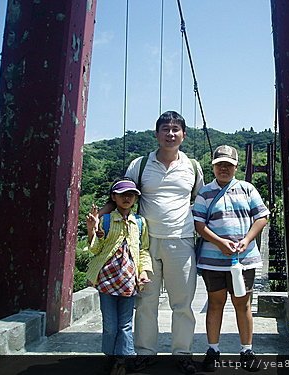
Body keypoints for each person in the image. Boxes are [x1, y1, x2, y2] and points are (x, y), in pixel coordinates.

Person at [100, 111, 204, 374]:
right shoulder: (140, 165)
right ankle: (145, 352)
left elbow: (201, 201)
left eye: (175, 129)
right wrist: (100, 219)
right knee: (146, 301)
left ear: (184, 134)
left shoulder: (192, 167)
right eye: (165, 129)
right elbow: (122, 196)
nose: (170, 134)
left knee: (182, 303)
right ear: (156, 134)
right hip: (143, 243)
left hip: (181, 240)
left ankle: (183, 353)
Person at [192, 145, 269, 372]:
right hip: (212, 261)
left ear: (236, 167)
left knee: (242, 304)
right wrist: (219, 242)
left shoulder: (247, 189)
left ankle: (247, 351)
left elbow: (261, 217)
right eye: (219, 165)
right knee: (215, 304)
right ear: (213, 167)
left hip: (244, 260)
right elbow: (199, 224)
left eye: (228, 164)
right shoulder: (204, 193)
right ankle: (213, 350)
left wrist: (246, 240)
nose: (223, 168)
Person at [86, 178, 153, 374]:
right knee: (110, 324)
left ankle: (122, 359)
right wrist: (92, 230)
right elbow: (95, 250)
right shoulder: (105, 220)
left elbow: (144, 250)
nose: (127, 198)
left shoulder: (140, 223)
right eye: (122, 194)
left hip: (129, 281)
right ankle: (111, 355)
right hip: (107, 280)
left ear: (136, 199)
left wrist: (144, 272)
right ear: (113, 197)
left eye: (131, 194)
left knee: (125, 324)